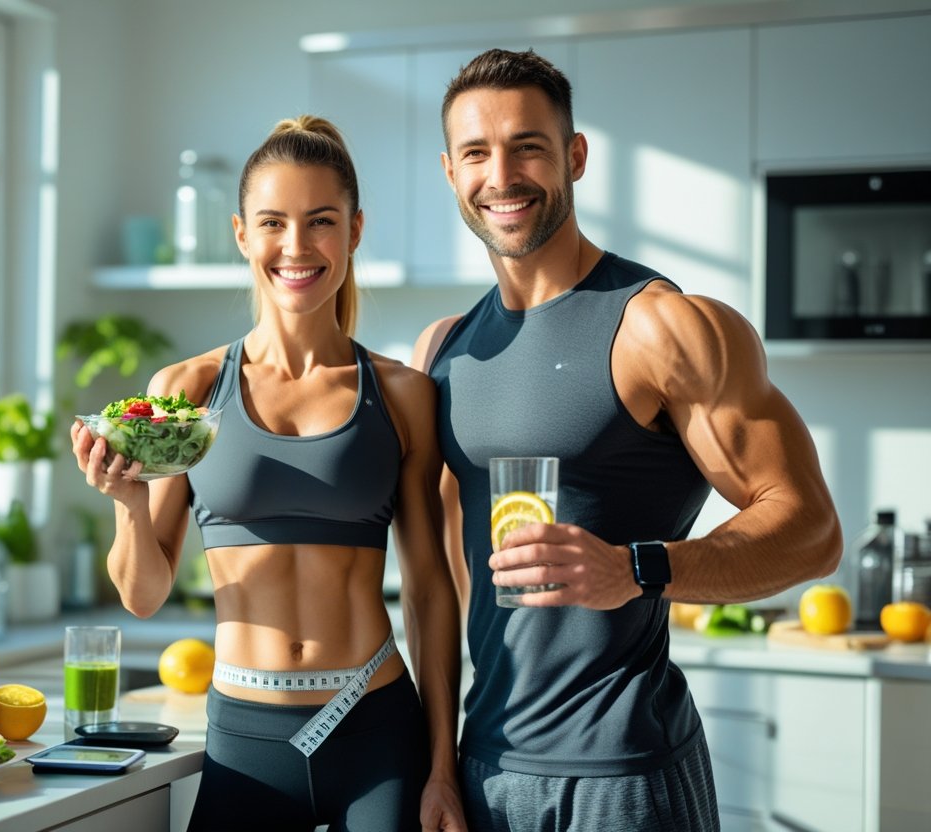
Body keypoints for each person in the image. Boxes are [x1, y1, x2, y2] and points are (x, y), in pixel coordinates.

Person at [411, 48, 843, 832]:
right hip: (486, 772)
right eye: (476, 152)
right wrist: (440, 766)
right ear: (450, 172)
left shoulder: (664, 325)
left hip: (625, 776)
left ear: (575, 156)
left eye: (528, 146)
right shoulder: (444, 352)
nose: (501, 175)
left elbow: (811, 530)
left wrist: (634, 568)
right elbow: (441, 582)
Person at [73, 115, 466, 832]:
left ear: (353, 231)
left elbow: (431, 590)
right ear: (242, 234)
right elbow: (141, 594)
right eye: (273, 222)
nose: (296, 246)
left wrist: (443, 767)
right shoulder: (187, 392)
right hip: (246, 739)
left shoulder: (403, 394)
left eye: (321, 221)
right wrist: (128, 503)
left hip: (376, 728)